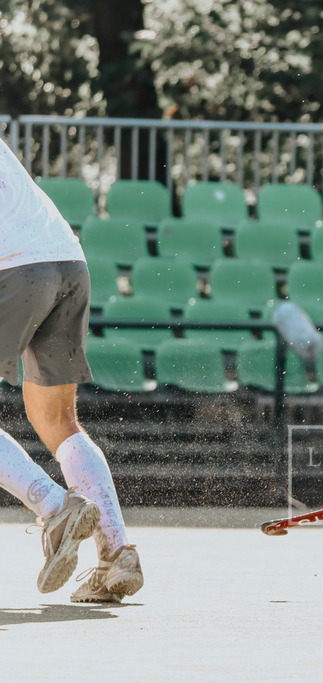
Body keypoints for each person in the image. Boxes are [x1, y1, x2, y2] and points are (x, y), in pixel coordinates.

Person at [0, 137, 143, 603]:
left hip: (14, 267)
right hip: (66, 260)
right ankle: (117, 553)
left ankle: (55, 505)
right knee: (58, 420)